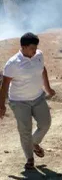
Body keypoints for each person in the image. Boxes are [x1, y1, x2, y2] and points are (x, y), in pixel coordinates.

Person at [0, 33, 56, 170]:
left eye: (36, 48)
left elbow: (43, 70)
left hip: (38, 97)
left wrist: (48, 88)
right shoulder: (13, 63)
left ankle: (34, 142)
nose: (35, 51)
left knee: (45, 123)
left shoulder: (39, 55)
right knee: (25, 130)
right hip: (19, 101)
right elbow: (5, 85)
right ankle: (29, 158)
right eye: (32, 48)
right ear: (23, 47)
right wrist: (1, 106)